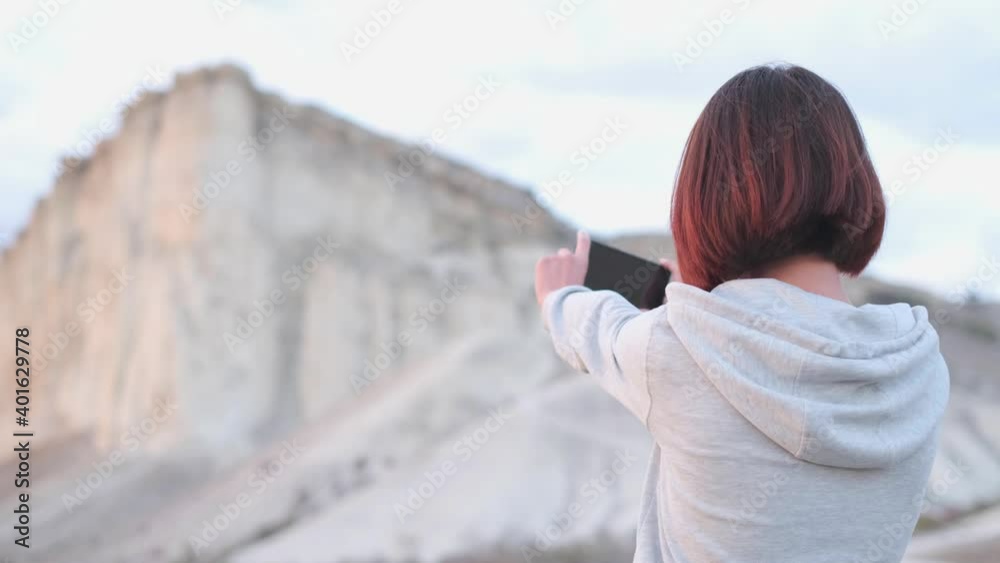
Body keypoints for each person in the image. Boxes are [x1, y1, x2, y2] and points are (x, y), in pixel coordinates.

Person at [534, 64, 950, 563]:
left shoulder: (671, 350)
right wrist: (697, 305)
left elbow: (596, 327)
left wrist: (559, 294)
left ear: (704, 197)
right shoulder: (921, 367)